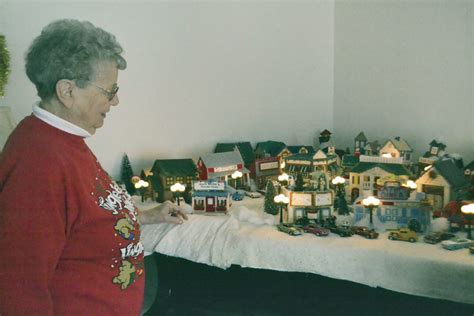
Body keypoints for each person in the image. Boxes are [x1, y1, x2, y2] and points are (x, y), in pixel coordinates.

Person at [0, 19, 187, 315]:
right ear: (67, 91)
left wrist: (145, 217)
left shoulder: (65, 142)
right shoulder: (37, 162)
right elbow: (19, 287)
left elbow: (84, 217)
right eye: (109, 90)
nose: (115, 100)